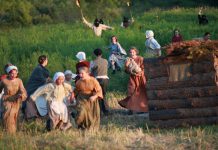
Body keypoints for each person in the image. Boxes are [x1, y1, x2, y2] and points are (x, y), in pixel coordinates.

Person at [118, 47, 148, 115]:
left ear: (136, 52)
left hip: (140, 77)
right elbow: (126, 71)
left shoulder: (140, 58)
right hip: (132, 78)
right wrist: (126, 65)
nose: (132, 53)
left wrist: (140, 73)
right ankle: (131, 109)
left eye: (133, 52)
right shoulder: (128, 59)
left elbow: (144, 68)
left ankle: (142, 109)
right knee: (131, 92)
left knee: (141, 93)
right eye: (130, 52)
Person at [0, 65, 27, 133]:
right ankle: (8, 133)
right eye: (12, 73)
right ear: (8, 73)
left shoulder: (19, 81)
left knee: (16, 117)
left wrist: (22, 95)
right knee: (8, 117)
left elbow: (22, 90)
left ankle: (15, 133)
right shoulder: (4, 81)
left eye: (15, 73)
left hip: (16, 101)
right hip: (7, 101)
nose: (13, 75)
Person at [25, 55, 50, 119]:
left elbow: (47, 78)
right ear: (44, 61)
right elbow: (41, 79)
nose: (47, 61)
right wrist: (47, 80)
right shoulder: (38, 69)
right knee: (31, 101)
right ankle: (32, 116)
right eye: (47, 60)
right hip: (33, 88)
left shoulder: (41, 68)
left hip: (40, 88)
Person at [91, 48, 109, 115]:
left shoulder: (94, 62)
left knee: (97, 94)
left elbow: (91, 71)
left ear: (95, 54)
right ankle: (106, 110)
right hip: (105, 79)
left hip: (97, 79)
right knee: (104, 94)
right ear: (101, 54)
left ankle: (99, 110)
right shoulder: (106, 61)